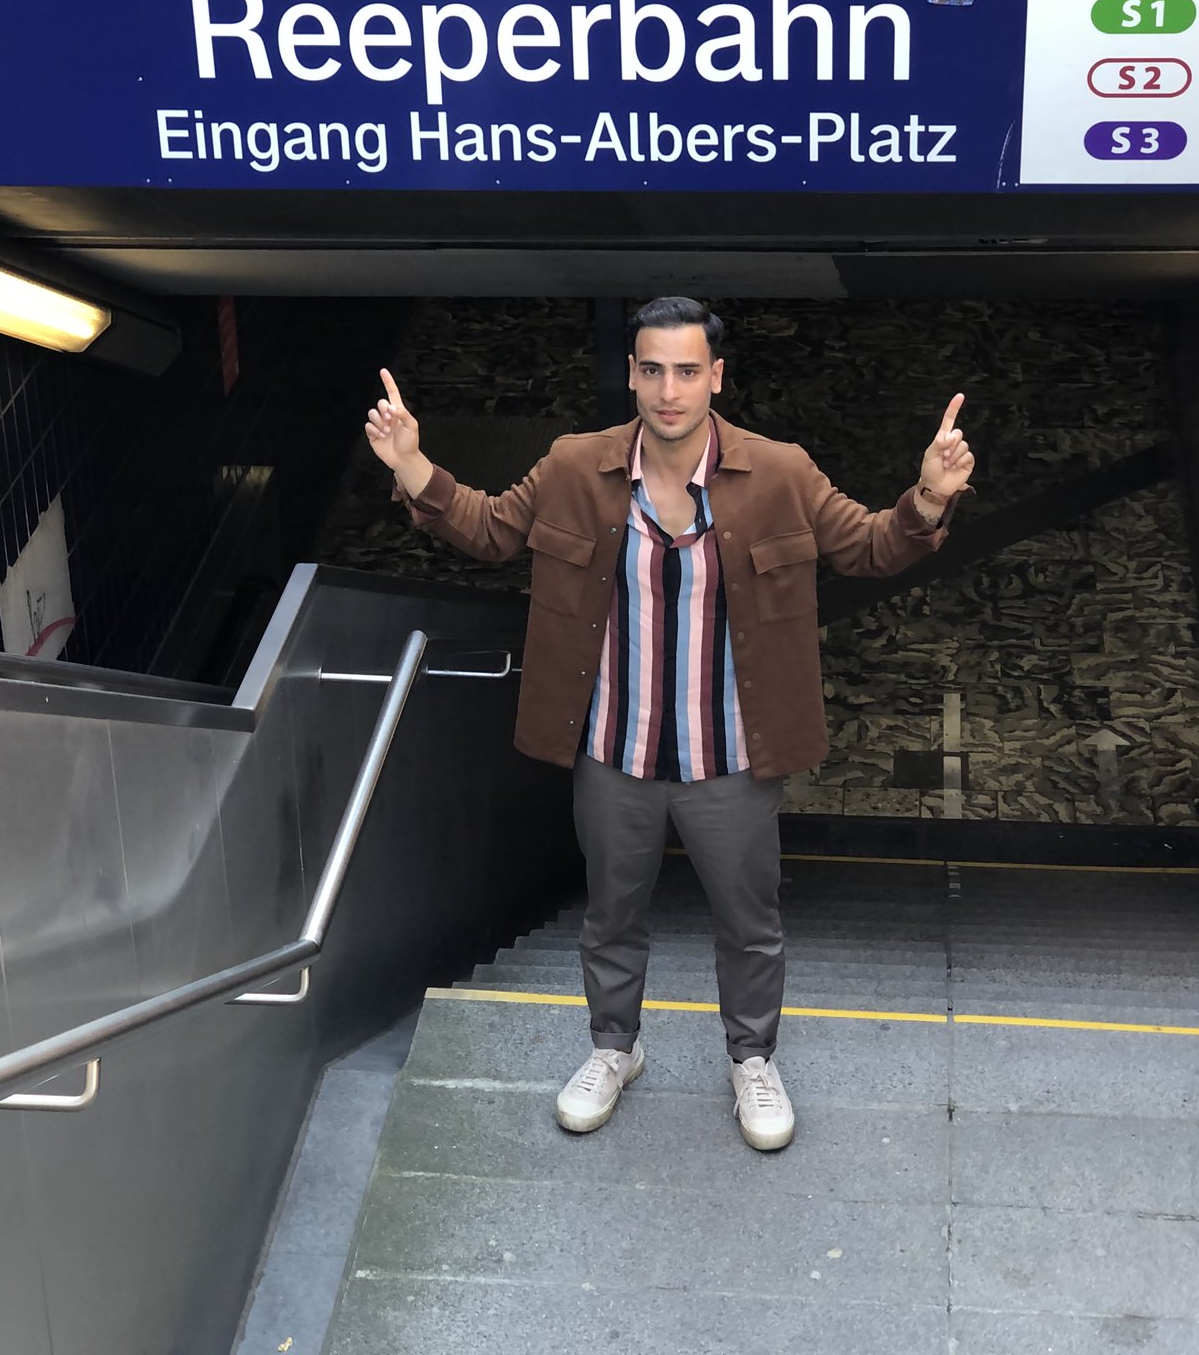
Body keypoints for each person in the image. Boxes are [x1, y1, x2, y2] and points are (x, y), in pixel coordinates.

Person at [364, 296, 974, 1151]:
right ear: (631, 373)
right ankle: (613, 1049)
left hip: (731, 755)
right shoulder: (575, 466)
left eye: (688, 371)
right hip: (613, 749)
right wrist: (413, 466)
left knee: (748, 923)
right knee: (611, 915)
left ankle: (752, 1061)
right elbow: (493, 529)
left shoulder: (781, 472)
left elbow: (869, 546)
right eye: (652, 369)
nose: (669, 389)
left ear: (716, 377)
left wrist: (930, 498)